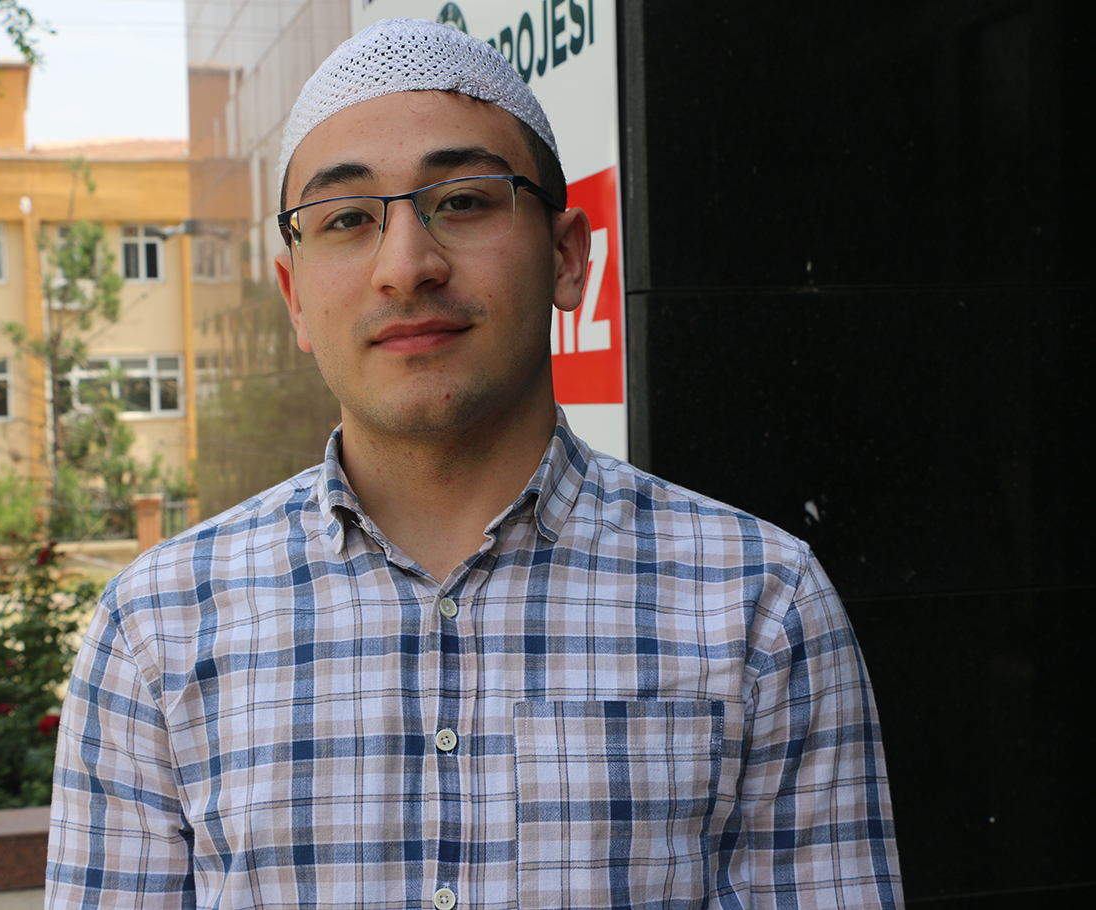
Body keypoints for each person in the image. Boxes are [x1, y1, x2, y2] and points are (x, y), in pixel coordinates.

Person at [46, 18, 902, 910]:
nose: (406, 266)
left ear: (567, 257)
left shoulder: (758, 602)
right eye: (347, 219)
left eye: (461, 201)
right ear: (295, 297)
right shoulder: (158, 630)